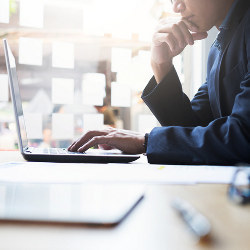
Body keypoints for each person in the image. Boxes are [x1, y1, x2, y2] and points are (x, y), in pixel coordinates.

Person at [68, 0, 250, 165]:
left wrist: (146, 141)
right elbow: (192, 129)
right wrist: (161, 65)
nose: (176, 7)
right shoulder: (220, 46)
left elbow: (245, 136)